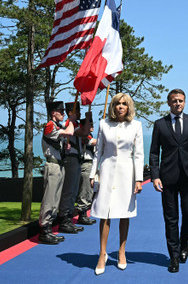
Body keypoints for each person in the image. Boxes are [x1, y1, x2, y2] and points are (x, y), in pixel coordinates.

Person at [150, 88, 188, 273]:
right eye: (174, 101)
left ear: (185, 102)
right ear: (168, 103)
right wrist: (155, 176)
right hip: (168, 178)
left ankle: (184, 243)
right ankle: (173, 256)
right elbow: (153, 152)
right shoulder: (160, 124)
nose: (178, 103)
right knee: (170, 218)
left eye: (181, 100)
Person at [89, 93, 144, 275]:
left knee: (124, 213)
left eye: (124, 104)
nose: (121, 107)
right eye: (118, 104)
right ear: (113, 106)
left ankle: (122, 251)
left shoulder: (136, 125)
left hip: (126, 173)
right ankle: (102, 253)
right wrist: (92, 174)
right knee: (104, 213)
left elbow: (138, 154)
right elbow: (98, 151)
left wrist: (138, 179)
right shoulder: (103, 123)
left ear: (129, 107)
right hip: (106, 170)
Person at [38, 100, 74, 245]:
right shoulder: (50, 125)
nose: (63, 114)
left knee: (55, 199)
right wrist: (70, 120)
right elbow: (69, 131)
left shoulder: (56, 126)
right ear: (54, 113)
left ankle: (49, 227)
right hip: (52, 165)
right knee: (49, 198)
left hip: (59, 164)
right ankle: (44, 229)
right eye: (61, 112)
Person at [56, 102, 85, 234]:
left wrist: (88, 119)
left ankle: (68, 217)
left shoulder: (74, 124)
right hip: (70, 158)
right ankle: (63, 218)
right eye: (77, 111)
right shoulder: (67, 124)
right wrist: (72, 121)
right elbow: (75, 133)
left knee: (73, 191)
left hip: (77, 158)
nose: (79, 113)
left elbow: (83, 133)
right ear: (70, 112)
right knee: (68, 190)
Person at [75, 114, 97, 225]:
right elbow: (93, 142)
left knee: (89, 190)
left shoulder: (89, 134)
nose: (92, 126)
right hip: (85, 163)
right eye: (89, 125)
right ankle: (82, 213)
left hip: (90, 163)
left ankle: (84, 212)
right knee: (85, 189)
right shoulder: (84, 136)